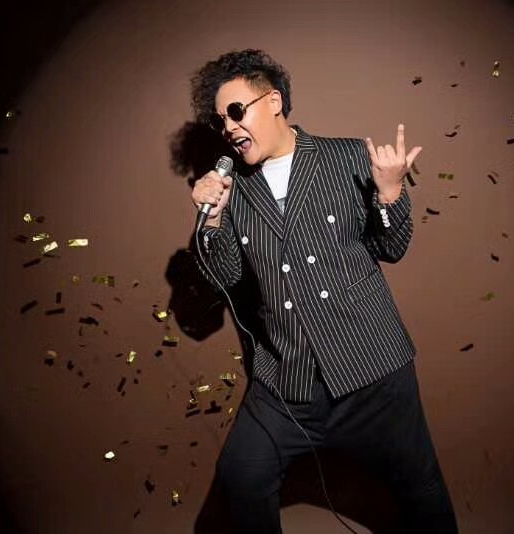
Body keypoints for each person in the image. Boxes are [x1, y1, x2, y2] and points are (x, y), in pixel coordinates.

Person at [189, 49, 458, 533]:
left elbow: (393, 247)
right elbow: (223, 277)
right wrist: (213, 220)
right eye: (220, 120)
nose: (228, 127)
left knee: (419, 485)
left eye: (236, 111)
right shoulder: (232, 189)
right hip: (287, 380)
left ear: (273, 101)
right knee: (242, 475)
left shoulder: (347, 157)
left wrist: (391, 193)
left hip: (372, 370)